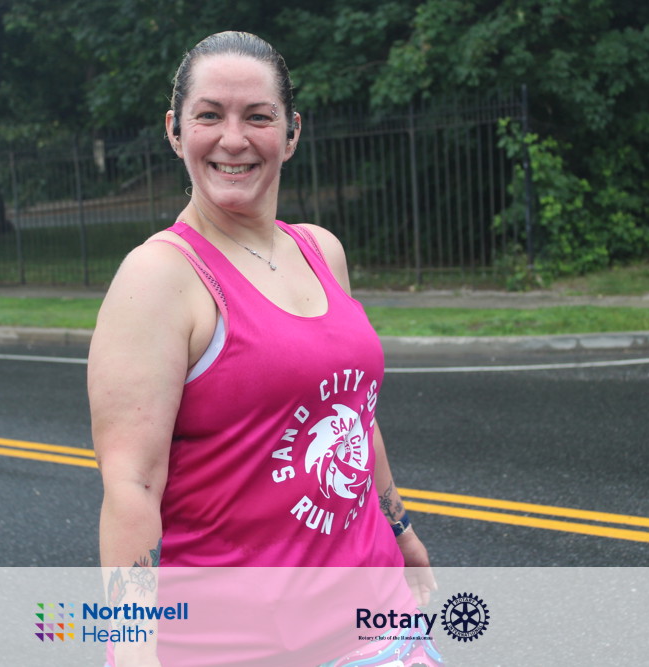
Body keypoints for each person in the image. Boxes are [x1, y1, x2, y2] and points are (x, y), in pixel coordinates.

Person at [88, 31, 442, 666]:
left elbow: (352, 412)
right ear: (175, 131)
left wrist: (402, 530)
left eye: (257, 116)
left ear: (291, 132)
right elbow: (131, 486)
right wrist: (131, 650)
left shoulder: (321, 249)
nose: (233, 139)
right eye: (209, 115)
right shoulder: (159, 278)